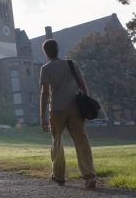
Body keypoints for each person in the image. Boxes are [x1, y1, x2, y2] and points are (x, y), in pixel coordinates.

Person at [39, 38, 96, 189]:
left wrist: (42, 117)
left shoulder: (46, 68)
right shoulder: (71, 64)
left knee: (57, 142)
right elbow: (82, 85)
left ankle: (58, 176)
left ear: (46, 53)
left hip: (57, 109)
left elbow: (45, 93)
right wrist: (85, 100)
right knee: (81, 140)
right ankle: (89, 175)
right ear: (58, 49)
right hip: (75, 107)